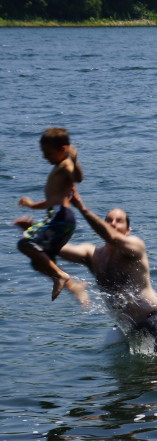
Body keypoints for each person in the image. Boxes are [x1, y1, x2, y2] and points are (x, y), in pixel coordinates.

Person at [36, 190, 157, 354]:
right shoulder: (93, 254)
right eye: (108, 220)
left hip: (154, 319)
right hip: (125, 325)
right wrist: (36, 232)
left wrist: (83, 209)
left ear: (128, 230)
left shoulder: (135, 246)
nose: (112, 223)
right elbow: (58, 249)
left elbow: (112, 238)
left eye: (118, 221)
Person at [16, 127, 88, 306]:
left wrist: (74, 159)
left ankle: (61, 276)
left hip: (60, 217)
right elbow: (51, 200)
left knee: (25, 243)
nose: (44, 157)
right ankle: (73, 287)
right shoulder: (58, 167)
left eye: (48, 153)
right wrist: (32, 205)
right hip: (59, 217)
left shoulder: (65, 164)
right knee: (39, 262)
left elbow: (78, 178)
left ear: (62, 149)